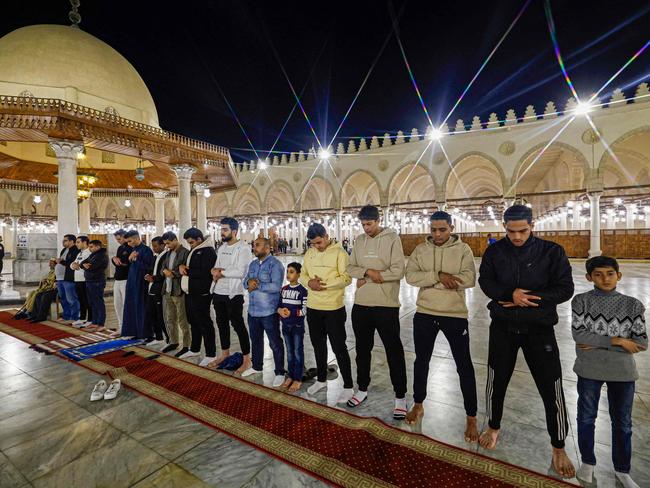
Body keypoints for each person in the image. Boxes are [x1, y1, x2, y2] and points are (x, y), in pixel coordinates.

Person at [478, 204, 575, 478]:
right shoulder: (495, 251)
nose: (517, 237)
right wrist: (510, 294)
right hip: (503, 327)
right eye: (511, 231)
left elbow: (565, 288)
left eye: (523, 231)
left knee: (551, 384)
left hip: (539, 329)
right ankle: (493, 426)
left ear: (533, 225)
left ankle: (558, 445)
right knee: (497, 380)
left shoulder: (551, 252)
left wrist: (530, 298)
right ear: (504, 228)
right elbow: (485, 281)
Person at [572, 256, 647, 488]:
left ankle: (622, 470)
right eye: (598, 274)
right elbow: (579, 335)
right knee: (586, 418)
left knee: (622, 422)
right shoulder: (581, 301)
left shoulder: (633, 305)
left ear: (619, 275)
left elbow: (641, 343)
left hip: (622, 373)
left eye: (610, 273)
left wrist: (599, 341)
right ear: (589, 277)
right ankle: (588, 462)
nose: (605, 279)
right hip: (589, 370)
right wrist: (618, 340)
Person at [404, 211, 478, 440]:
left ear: (451, 227)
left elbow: (468, 279)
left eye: (442, 230)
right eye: (433, 229)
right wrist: (438, 276)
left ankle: (472, 416)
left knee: (463, 364)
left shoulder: (463, 250)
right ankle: (418, 404)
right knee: (421, 361)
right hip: (425, 313)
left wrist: (438, 280)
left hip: (454, 315)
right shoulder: (421, 250)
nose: (437, 234)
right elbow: (410, 277)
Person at [346, 205, 408, 419]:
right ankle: (362, 389)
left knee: (393, 351)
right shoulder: (359, 241)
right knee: (362, 350)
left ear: (378, 220)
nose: (366, 229)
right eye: (363, 225)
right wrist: (367, 271)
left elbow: (398, 270)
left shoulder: (392, 239)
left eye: (369, 224)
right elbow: (350, 267)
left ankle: (400, 397)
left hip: (386, 305)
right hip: (361, 305)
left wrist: (369, 276)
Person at [299, 223, 353, 404]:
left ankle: (348, 386)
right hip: (314, 308)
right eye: (314, 243)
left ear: (327, 236)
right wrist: (309, 283)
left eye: (320, 242)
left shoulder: (340, 253)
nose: (317, 246)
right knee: (318, 346)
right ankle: (321, 379)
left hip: (333, 309)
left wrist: (322, 285)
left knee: (339, 347)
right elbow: (302, 275)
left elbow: (346, 278)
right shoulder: (310, 253)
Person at [208, 218, 253, 373]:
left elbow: (242, 271)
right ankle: (225, 353)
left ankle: (247, 359)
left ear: (234, 231)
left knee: (238, 325)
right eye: (221, 229)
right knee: (221, 324)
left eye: (225, 230)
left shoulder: (243, 248)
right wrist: (215, 271)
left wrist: (222, 273)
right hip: (218, 291)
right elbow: (216, 266)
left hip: (233, 293)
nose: (222, 232)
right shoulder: (222, 248)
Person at [241, 237, 285, 385]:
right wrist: (248, 283)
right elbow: (245, 281)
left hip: (269, 312)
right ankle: (257, 367)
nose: (255, 248)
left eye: (258, 245)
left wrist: (257, 285)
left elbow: (276, 287)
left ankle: (279, 372)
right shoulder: (253, 264)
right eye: (254, 245)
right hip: (252, 311)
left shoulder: (275, 264)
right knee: (256, 341)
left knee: (274, 343)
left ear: (267, 248)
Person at [179, 228, 217, 364]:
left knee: (204, 322)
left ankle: (211, 354)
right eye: (189, 243)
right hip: (191, 291)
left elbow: (207, 271)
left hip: (202, 292)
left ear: (199, 239)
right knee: (193, 321)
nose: (190, 245)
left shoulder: (208, 251)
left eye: (192, 242)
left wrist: (187, 270)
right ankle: (195, 349)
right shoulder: (195, 249)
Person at [278, 262, 308, 392]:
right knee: (289, 352)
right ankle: (290, 375)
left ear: (299, 274)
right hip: (285, 326)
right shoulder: (284, 289)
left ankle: (298, 378)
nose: (288, 274)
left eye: (291, 272)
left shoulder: (303, 291)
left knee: (297, 352)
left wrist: (293, 313)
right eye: (287, 271)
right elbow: (279, 305)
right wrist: (280, 311)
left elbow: (305, 310)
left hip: (297, 326)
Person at [161, 231, 191, 355]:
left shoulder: (185, 253)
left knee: (182, 319)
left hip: (178, 290)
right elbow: (163, 266)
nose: (167, 246)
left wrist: (173, 274)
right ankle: (173, 341)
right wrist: (165, 271)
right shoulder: (168, 253)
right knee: (170, 318)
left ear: (175, 239)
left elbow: (187, 269)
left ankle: (186, 345)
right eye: (165, 244)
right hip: (168, 289)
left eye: (168, 243)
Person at [121, 230, 154, 339]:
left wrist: (134, 260)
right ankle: (135, 332)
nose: (128, 244)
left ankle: (144, 333)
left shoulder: (146, 250)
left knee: (141, 308)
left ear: (136, 238)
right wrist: (132, 260)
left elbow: (149, 267)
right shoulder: (133, 249)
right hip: (132, 282)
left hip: (141, 283)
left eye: (130, 241)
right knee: (132, 307)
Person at [144, 236, 168, 346]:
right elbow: (150, 269)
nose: (153, 248)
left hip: (159, 289)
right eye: (152, 246)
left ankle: (168, 339)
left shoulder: (166, 257)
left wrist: (154, 278)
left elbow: (165, 274)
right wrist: (147, 275)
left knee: (161, 316)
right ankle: (158, 337)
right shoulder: (155, 257)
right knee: (152, 314)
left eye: (156, 246)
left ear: (163, 245)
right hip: (151, 288)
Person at [80, 240, 109, 331]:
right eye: (89, 246)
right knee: (92, 302)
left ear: (98, 246)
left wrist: (86, 266)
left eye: (91, 246)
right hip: (89, 280)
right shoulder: (92, 255)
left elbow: (93, 266)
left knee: (98, 302)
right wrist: (84, 265)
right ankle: (95, 322)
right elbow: (82, 263)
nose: (90, 248)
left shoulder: (102, 255)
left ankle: (101, 323)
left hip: (97, 281)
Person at [54, 234, 79, 323]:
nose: (63, 242)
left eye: (65, 240)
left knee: (71, 299)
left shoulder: (75, 250)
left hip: (69, 278)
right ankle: (66, 316)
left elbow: (72, 263)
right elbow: (62, 261)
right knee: (63, 298)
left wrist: (61, 261)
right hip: (60, 278)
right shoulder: (64, 250)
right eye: (63, 240)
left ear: (72, 241)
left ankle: (74, 317)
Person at [111, 229, 131, 332]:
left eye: (119, 239)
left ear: (125, 236)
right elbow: (117, 260)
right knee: (117, 304)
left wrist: (124, 264)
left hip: (126, 279)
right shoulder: (120, 248)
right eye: (117, 239)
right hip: (118, 279)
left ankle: (128, 327)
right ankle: (121, 326)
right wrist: (114, 259)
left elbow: (131, 264)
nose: (118, 241)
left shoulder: (131, 248)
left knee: (125, 304)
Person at [70, 236, 92, 327]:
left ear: (84, 242)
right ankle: (82, 318)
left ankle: (91, 319)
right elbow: (73, 264)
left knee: (88, 300)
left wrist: (77, 266)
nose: (76, 244)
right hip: (78, 279)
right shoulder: (80, 253)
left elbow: (88, 265)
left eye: (78, 242)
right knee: (81, 300)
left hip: (85, 280)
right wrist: (73, 265)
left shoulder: (89, 252)